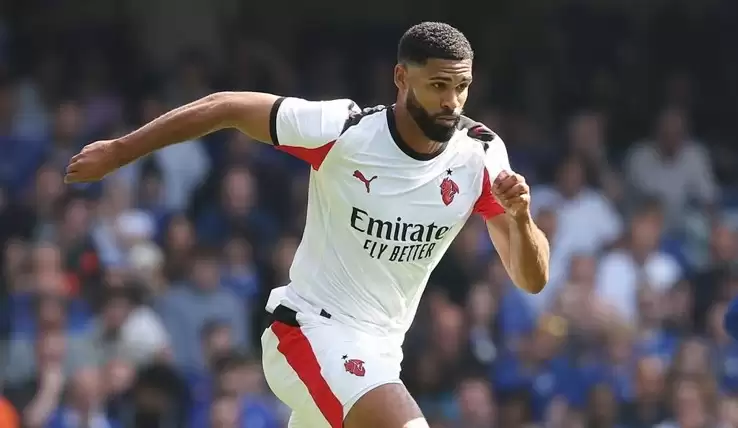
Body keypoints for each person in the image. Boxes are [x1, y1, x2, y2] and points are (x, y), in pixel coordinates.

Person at [64, 21, 550, 428]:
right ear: (401, 78)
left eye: (462, 87)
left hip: (382, 353)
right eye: (438, 86)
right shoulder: (343, 130)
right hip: (309, 332)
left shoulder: (481, 157)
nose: (452, 102)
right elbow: (227, 107)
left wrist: (521, 218)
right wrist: (120, 151)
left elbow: (532, 280)